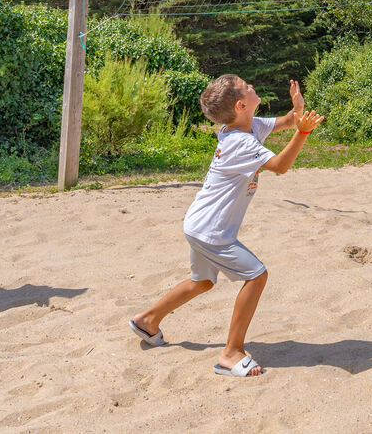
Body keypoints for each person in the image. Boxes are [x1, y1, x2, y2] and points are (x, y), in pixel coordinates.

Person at [129, 76, 324, 377]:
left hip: (199, 224)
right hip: (212, 231)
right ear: (240, 105)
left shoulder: (245, 125)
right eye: (247, 86)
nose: (252, 86)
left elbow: (287, 121)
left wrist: (297, 110)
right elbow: (281, 166)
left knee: (202, 282)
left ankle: (148, 321)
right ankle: (231, 353)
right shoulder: (240, 142)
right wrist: (303, 133)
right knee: (257, 276)